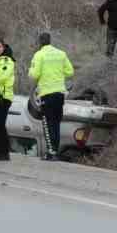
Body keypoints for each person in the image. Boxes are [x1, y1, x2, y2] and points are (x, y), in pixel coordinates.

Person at [27, 32, 74, 161]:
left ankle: (50, 152)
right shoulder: (61, 53)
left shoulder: (39, 55)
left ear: (40, 42)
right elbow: (70, 72)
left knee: (48, 123)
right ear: (50, 40)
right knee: (56, 123)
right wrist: (57, 73)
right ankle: (55, 152)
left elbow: (34, 75)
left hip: (47, 93)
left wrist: (30, 70)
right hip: (60, 93)